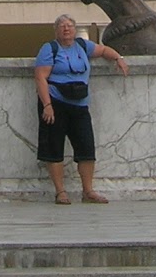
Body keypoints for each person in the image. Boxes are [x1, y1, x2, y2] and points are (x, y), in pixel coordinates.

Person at [34, 13, 128, 204]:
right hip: (56, 103)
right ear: (56, 31)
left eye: (69, 25)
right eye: (62, 26)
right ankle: (60, 192)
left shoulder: (83, 46)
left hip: (79, 104)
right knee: (54, 147)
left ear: (75, 29)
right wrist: (47, 105)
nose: (66, 29)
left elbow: (102, 50)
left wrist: (118, 57)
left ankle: (88, 191)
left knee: (86, 147)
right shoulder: (49, 49)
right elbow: (40, 78)